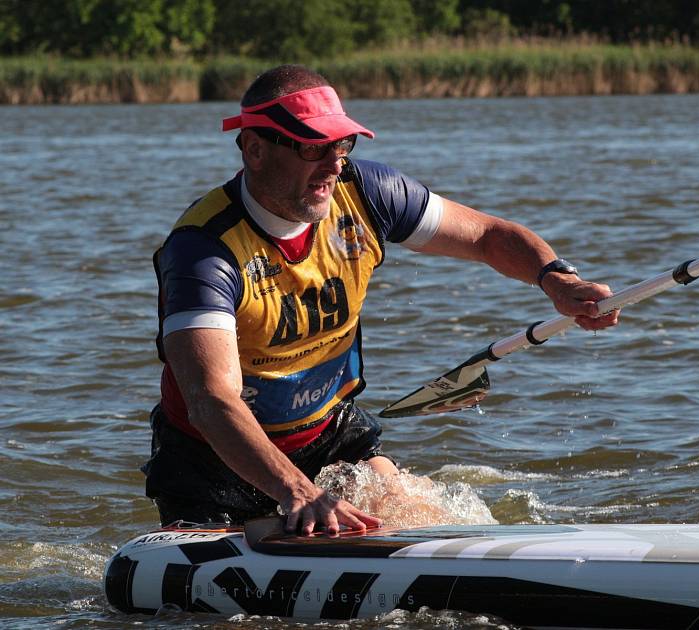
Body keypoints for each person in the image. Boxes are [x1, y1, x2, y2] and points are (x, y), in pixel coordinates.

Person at [142, 64, 618, 536]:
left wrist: (557, 281)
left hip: (328, 439)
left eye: (342, 144)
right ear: (255, 149)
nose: (333, 163)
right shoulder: (203, 252)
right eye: (314, 147)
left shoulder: (368, 193)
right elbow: (211, 400)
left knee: (427, 525)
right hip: (212, 463)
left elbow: (487, 236)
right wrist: (298, 491)